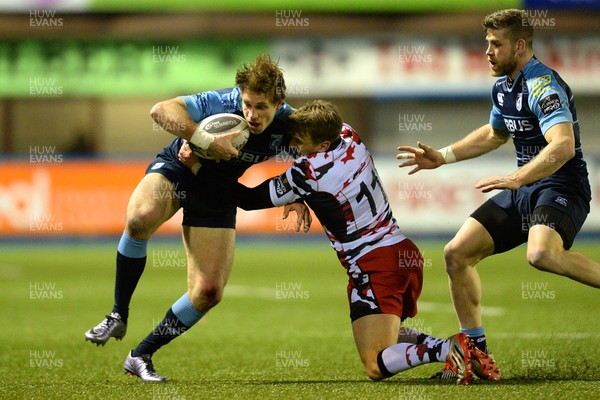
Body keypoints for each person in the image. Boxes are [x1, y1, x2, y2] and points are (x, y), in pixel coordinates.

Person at [181, 100, 499, 384]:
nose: (292, 145)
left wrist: (199, 165)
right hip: (401, 252)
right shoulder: (348, 134)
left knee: (375, 363)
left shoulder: (309, 172)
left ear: (321, 143)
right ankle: (461, 352)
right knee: (380, 333)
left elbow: (248, 199)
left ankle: (452, 348)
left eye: (299, 141)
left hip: (375, 265)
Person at [397, 8, 600, 380]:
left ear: (520, 46)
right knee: (456, 254)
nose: (487, 51)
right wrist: (442, 156)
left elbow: (564, 145)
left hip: (561, 185)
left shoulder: (543, 86)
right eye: (486, 43)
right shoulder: (504, 87)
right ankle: (476, 356)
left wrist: (518, 177)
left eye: (495, 44)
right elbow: (494, 134)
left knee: (540, 255)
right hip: (523, 187)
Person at [83, 53, 309, 382]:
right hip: (182, 166)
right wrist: (203, 140)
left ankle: (141, 355)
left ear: (280, 103)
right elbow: (160, 111)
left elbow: (313, 151)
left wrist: (299, 191)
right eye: (247, 103)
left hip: (218, 188)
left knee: (208, 292)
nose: (251, 114)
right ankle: (118, 314)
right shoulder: (223, 101)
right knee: (140, 217)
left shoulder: (290, 123)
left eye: (261, 107)